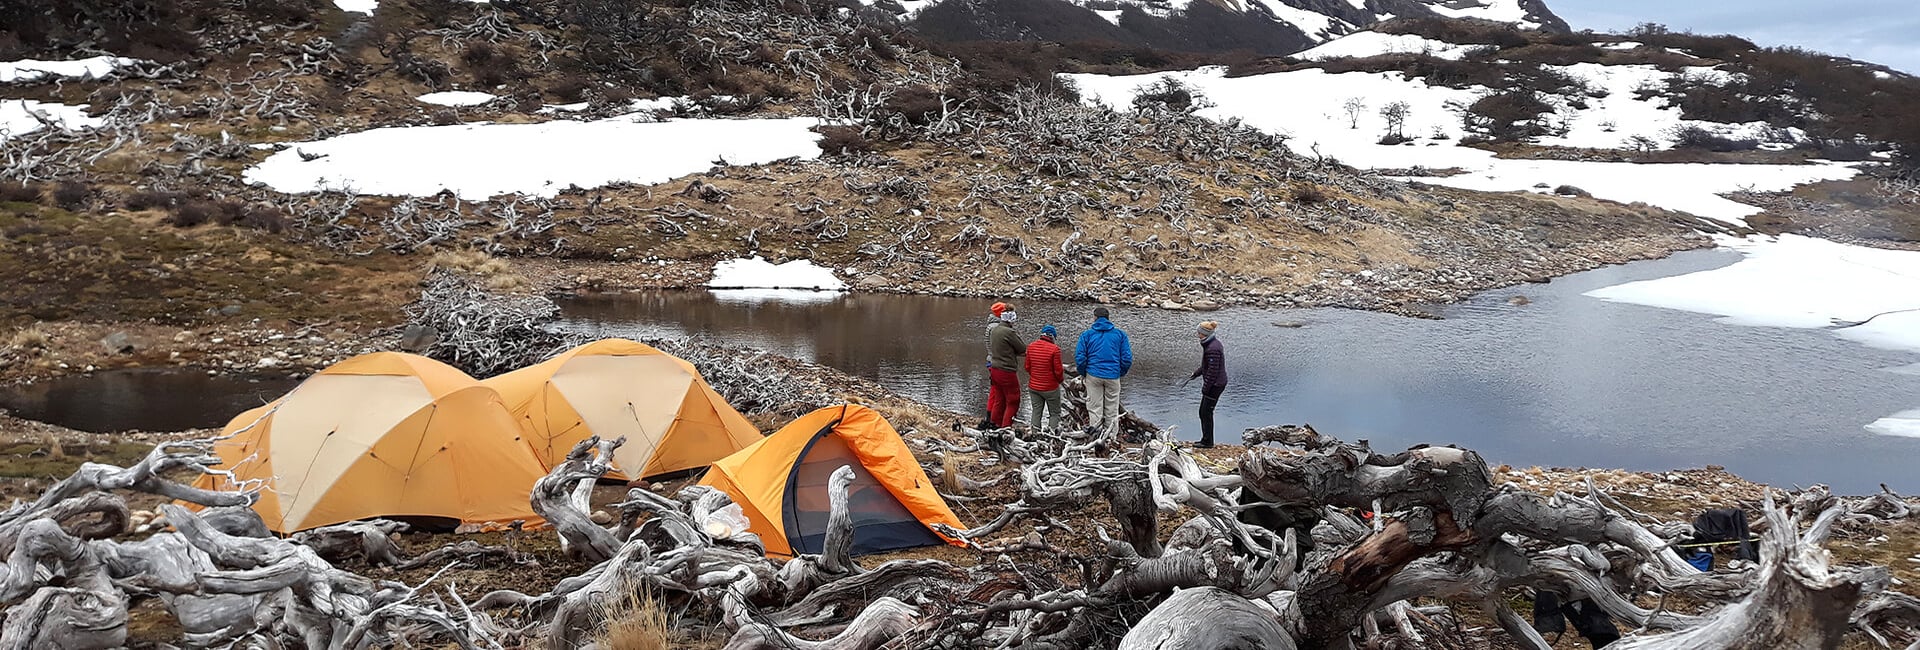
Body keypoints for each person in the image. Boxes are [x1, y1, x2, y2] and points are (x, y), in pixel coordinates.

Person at [1074, 306, 1132, 436]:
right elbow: (1127, 358)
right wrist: (1120, 372)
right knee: (1112, 409)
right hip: (1113, 375)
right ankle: (1111, 437)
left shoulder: (1087, 335)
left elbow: (1080, 357)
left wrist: (1084, 372)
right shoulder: (1120, 335)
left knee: (1095, 408)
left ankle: (1096, 437)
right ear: (1108, 318)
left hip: (1093, 374)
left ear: (1095, 318)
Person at [1183, 320, 1229, 448]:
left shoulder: (1213, 348)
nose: (1197, 334)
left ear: (1204, 333)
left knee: (1205, 412)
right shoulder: (1211, 344)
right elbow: (1206, 366)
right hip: (1216, 383)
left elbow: (1212, 372)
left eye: (1199, 332)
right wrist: (1196, 374)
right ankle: (1206, 439)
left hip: (1216, 385)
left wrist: (1206, 389)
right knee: (1204, 412)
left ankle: (1207, 442)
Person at [984, 302, 1026, 429]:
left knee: (999, 398)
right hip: (1006, 370)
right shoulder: (1008, 332)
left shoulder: (994, 329)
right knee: (1013, 400)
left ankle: (993, 425)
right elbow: (1022, 348)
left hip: (995, 367)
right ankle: (1005, 428)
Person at [1024, 324, 1067, 432]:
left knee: (1036, 411)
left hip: (1033, 387)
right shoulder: (1055, 349)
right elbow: (1058, 371)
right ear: (1052, 337)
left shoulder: (1031, 346)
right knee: (1054, 413)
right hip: (1050, 388)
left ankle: (1035, 435)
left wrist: (1035, 376)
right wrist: (1060, 381)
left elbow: (1027, 367)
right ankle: (1052, 436)